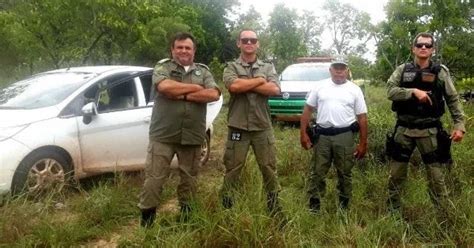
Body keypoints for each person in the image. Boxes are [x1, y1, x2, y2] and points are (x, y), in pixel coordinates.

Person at [138, 32, 221, 228]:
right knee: (154, 179)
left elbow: (214, 94)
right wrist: (195, 89)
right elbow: (165, 87)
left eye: (188, 47)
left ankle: (186, 220)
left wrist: (182, 94)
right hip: (163, 135)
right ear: (173, 49)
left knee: (189, 180)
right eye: (180, 47)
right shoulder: (163, 67)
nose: (184, 51)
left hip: (192, 135)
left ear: (194, 51)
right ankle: (147, 225)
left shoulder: (203, 71)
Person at [386, 32, 465, 215]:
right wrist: (413, 91)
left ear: (432, 50)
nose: (423, 48)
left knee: (436, 176)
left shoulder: (440, 72)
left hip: (430, 132)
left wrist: (459, 125)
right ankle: (393, 213)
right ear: (413, 48)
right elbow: (390, 91)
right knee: (396, 175)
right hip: (404, 130)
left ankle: (443, 215)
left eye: (427, 46)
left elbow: (453, 99)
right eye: (420, 45)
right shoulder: (402, 70)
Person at [220, 29, 283, 217]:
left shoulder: (268, 66)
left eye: (253, 40)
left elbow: (274, 90)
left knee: (268, 167)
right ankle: (227, 206)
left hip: (262, 126)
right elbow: (234, 86)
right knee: (233, 167)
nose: (249, 43)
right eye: (245, 40)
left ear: (258, 44)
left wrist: (248, 83)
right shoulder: (231, 67)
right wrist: (259, 81)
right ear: (238, 43)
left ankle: (274, 205)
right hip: (237, 126)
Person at [300, 57, 368, 212]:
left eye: (342, 68)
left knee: (345, 172)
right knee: (317, 171)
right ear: (330, 70)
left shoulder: (354, 89)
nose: (339, 71)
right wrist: (303, 134)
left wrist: (363, 143)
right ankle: (314, 206)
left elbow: (362, 117)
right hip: (322, 136)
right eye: (336, 68)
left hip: (344, 136)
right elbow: (307, 110)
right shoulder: (320, 86)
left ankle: (344, 206)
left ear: (347, 70)